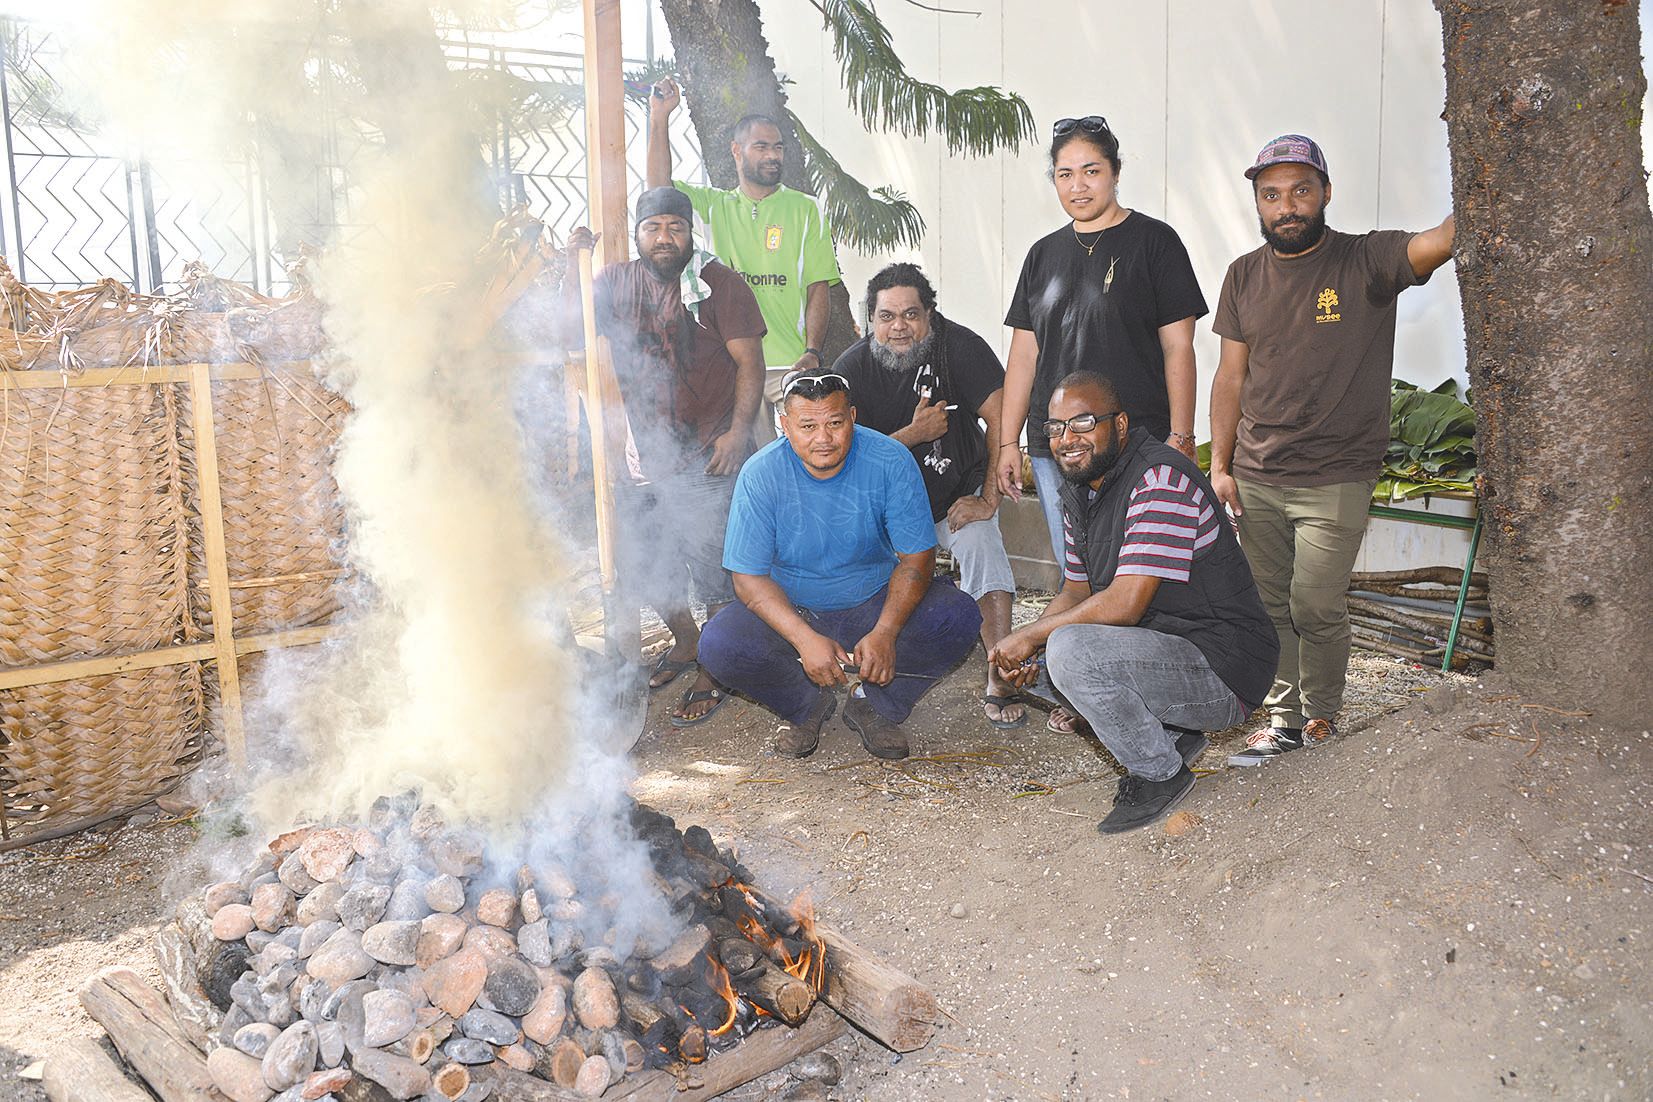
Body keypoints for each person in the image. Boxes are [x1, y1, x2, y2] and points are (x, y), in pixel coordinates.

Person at [1207, 134, 1455, 765]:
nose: (1286, 206)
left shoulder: (1364, 260)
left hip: (1336, 474)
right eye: (1271, 195)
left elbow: (1437, 242)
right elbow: (1230, 377)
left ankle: (1322, 713)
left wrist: (1488, 185)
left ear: (1324, 194)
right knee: (1268, 602)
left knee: (1314, 600)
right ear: (1258, 204)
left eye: (1300, 191)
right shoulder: (1242, 276)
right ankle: (1284, 718)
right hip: (1257, 473)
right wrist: (1221, 464)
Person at [989, 372, 1278, 834]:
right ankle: (1172, 737)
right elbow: (1075, 591)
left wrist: (1034, 637)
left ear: (1120, 425)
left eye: (1083, 423)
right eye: (1056, 427)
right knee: (1036, 661)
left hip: (1224, 669)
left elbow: (1124, 604)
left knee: (1067, 653)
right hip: (1163, 650)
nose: (1067, 439)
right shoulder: (1081, 489)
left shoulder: (1158, 479)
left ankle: (1159, 773)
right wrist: (1018, 648)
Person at [994, 115, 1208, 734]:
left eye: (1091, 171)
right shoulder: (1042, 255)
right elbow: (1024, 356)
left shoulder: (1155, 243)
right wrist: (1008, 441)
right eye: (1065, 174)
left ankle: (1141, 691)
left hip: (1135, 444)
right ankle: (1089, 687)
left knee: (1139, 578)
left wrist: (1181, 436)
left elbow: (1179, 348)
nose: (1079, 185)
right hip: (1058, 447)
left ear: (1115, 172)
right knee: (1079, 574)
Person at [697, 369, 983, 760]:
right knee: (718, 644)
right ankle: (806, 705)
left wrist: (885, 631)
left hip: (873, 599)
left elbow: (917, 560)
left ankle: (874, 703)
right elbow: (747, 579)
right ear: (785, 425)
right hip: (795, 606)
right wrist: (804, 639)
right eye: (807, 425)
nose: (823, 438)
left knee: (958, 616)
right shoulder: (760, 473)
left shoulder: (891, 459)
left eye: (834, 423)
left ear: (853, 417)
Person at [565, 187, 766, 727]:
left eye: (675, 227)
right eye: (653, 227)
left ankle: (717, 668)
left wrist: (737, 432)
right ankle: (688, 641)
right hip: (644, 455)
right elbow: (570, 328)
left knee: (715, 571)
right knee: (642, 564)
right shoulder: (615, 283)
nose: (664, 238)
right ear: (637, 234)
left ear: (689, 232)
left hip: (710, 454)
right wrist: (573, 264)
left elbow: (750, 363)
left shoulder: (718, 284)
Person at [832, 263, 1025, 730]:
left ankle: (1000, 671)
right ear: (869, 319)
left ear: (930, 315)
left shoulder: (960, 347)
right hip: (884, 514)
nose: (899, 326)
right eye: (887, 316)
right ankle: (864, 670)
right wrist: (912, 434)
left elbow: (1002, 419)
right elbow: (838, 458)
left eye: (911, 314)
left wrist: (987, 500)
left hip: (953, 498)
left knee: (982, 543)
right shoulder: (850, 368)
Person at [646, 78, 841, 441]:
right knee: (745, 473)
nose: (773, 155)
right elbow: (660, 189)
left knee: (797, 467)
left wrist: (813, 351)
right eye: (762, 146)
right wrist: (660, 119)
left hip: (788, 368)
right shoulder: (713, 206)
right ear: (737, 151)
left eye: (779, 147)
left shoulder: (806, 209)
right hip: (733, 366)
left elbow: (818, 287)